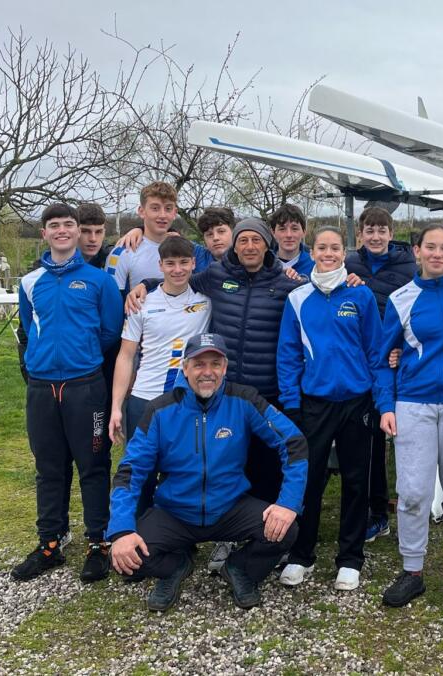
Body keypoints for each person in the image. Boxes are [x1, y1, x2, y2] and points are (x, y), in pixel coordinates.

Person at [126, 216, 305, 572]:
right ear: (235, 246)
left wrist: (350, 279)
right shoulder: (217, 275)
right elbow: (178, 279)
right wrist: (144, 284)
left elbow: (317, 296)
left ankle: (266, 538)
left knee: (269, 468)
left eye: (256, 240)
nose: (249, 246)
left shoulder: (286, 282)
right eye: (243, 240)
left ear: (267, 244)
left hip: (267, 390)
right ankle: (223, 535)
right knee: (228, 464)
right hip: (224, 391)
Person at [107, 333, 308, 611]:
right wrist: (121, 530)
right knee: (123, 557)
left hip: (229, 508)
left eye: (215, 364)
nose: (208, 372)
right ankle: (176, 566)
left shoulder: (244, 399)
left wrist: (288, 503)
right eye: (199, 364)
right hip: (175, 513)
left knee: (285, 530)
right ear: (185, 368)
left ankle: (239, 568)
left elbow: (293, 442)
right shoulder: (160, 410)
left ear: (224, 368)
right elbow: (130, 471)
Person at [13, 202, 124, 584]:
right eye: (54, 225)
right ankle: (50, 542)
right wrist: (41, 362)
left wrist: (82, 354)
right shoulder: (29, 282)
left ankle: (98, 542)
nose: (62, 230)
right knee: (49, 467)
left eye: (68, 224)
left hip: (85, 387)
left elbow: (110, 331)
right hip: (43, 388)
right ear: (44, 233)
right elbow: (29, 327)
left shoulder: (100, 282)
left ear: (78, 232)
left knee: (93, 465)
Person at [275, 226, 388, 592]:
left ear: (344, 252)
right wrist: (291, 403)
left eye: (335, 248)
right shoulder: (297, 298)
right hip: (315, 403)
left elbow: (375, 352)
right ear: (313, 251)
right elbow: (288, 354)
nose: (328, 253)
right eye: (322, 247)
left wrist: (379, 399)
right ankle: (301, 555)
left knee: (356, 481)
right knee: (308, 480)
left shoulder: (360, 294)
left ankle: (350, 559)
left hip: (357, 402)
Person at [375, 224, 443, 608]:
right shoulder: (400, 298)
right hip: (413, 404)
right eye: (430, 247)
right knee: (414, 492)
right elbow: (382, 358)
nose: (437, 254)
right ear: (417, 251)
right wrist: (386, 405)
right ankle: (412, 570)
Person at [109, 236, 211, 511]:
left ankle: (175, 533)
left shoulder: (206, 301)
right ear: (160, 265)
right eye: (170, 263)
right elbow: (125, 356)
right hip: (145, 399)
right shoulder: (140, 303)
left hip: (185, 400)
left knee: (181, 473)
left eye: (183, 263)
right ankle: (134, 529)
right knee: (139, 473)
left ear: (193, 264)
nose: (177, 270)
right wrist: (116, 407)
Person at [344, 206, 416, 542]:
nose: (375, 236)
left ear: (391, 233)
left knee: (403, 435)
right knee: (370, 439)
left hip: (395, 360)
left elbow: (415, 312)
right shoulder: (349, 263)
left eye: (381, 230)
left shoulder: (408, 266)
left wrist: (403, 348)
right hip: (360, 361)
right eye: (369, 230)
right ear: (360, 234)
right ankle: (375, 512)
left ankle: (412, 502)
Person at [106, 182, 179, 294]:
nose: (162, 215)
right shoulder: (122, 252)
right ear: (141, 211)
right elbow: (111, 299)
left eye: (168, 209)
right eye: (155, 208)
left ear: (175, 213)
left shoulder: (186, 250)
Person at [117, 205, 235, 274]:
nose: (215, 238)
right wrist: (140, 229)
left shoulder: (243, 260)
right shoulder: (199, 254)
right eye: (209, 234)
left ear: (233, 232)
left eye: (221, 231)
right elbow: (167, 234)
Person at [268, 203, 314, 277]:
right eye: (282, 229)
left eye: (294, 229)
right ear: (273, 233)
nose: (288, 235)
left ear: (304, 232)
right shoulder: (263, 265)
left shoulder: (315, 265)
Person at [77, 203, 114, 270]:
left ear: (104, 233)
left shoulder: (113, 255)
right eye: (85, 231)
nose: (93, 239)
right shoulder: (59, 257)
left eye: (98, 232)